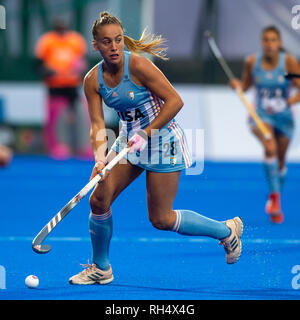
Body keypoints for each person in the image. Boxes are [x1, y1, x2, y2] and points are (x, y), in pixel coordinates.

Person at [69, 11, 243, 285]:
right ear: (96, 46)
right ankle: (101, 268)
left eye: (117, 40)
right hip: (129, 142)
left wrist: (147, 133)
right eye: (106, 42)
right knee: (98, 199)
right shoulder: (93, 80)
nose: (113, 47)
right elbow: (96, 126)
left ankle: (226, 230)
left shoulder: (138, 66)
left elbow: (175, 101)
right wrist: (100, 159)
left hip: (163, 142)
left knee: (161, 219)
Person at [230, 25, 300, 224]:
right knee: (270, 147)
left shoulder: (289, 63)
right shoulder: (252, 62)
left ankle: (274, 194)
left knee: (280, 162)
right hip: (260, 116)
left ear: (279, 43)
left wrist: (287, 102)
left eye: (273, 40)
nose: (269, 44)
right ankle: (276, 201)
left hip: (284, 117)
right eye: (266, 40)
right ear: (262, 43)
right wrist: (237, 86)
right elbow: (246, 86)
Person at [35, 20, 93, 160]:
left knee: (81, 114)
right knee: (57, 118)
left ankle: (84, 147)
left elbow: (83, 62)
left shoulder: (76, 40)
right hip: (55, 87)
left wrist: (79, 69)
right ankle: (59, 147)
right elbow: (38, 64)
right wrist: (50, 72)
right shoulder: (47, 41)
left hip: (72, 86)